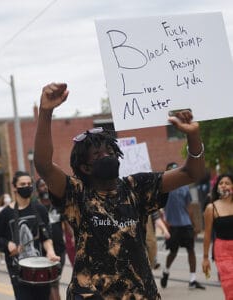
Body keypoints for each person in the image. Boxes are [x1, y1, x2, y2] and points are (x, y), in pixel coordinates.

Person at [34, 82, 205, 299]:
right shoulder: (77, 193)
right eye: (97, 155)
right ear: (86, 167)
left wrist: (193, 136)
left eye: (110, 151)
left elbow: (192, 173)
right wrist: (46, 112)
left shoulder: (138, 187)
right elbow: (43, 165)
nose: (107, 156)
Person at [0, 171, 60, 300]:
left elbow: (46, 236)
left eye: (29, 184)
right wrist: (7, 244)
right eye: (22, 184)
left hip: (40, 269)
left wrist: (50, 252)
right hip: (18, 270)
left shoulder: (40, 209)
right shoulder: (6, 214)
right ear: (14, 187)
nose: (27, 186)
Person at [160, 162, 205, 290]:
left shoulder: (184, 187)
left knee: (191, 250)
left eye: (175, 169)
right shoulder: (163, 188)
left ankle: (192, 280)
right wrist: (164, 222)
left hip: (186, 224)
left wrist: (195, 224)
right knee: (173, 252)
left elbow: (189, 207)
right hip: (172, 226)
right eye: (171, 170)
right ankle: (166, 271)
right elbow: (158, 208)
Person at [202, 174, 233, 300]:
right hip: (223, 251)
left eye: (227, 183)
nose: (223, 185)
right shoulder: (211, 208)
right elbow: (207, 235)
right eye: (221, 183)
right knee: (230, 285)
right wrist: (205, 258)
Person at [36, 178, 66, 300]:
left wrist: (75, 239)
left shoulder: (57, 204)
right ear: (37, 189)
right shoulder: (36, 207)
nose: (44, 188)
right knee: (49, 285)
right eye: (41, 186)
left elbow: (67, 224)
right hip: (43, 251)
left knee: (54, 283)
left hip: (59, 249)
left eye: (46, 185)